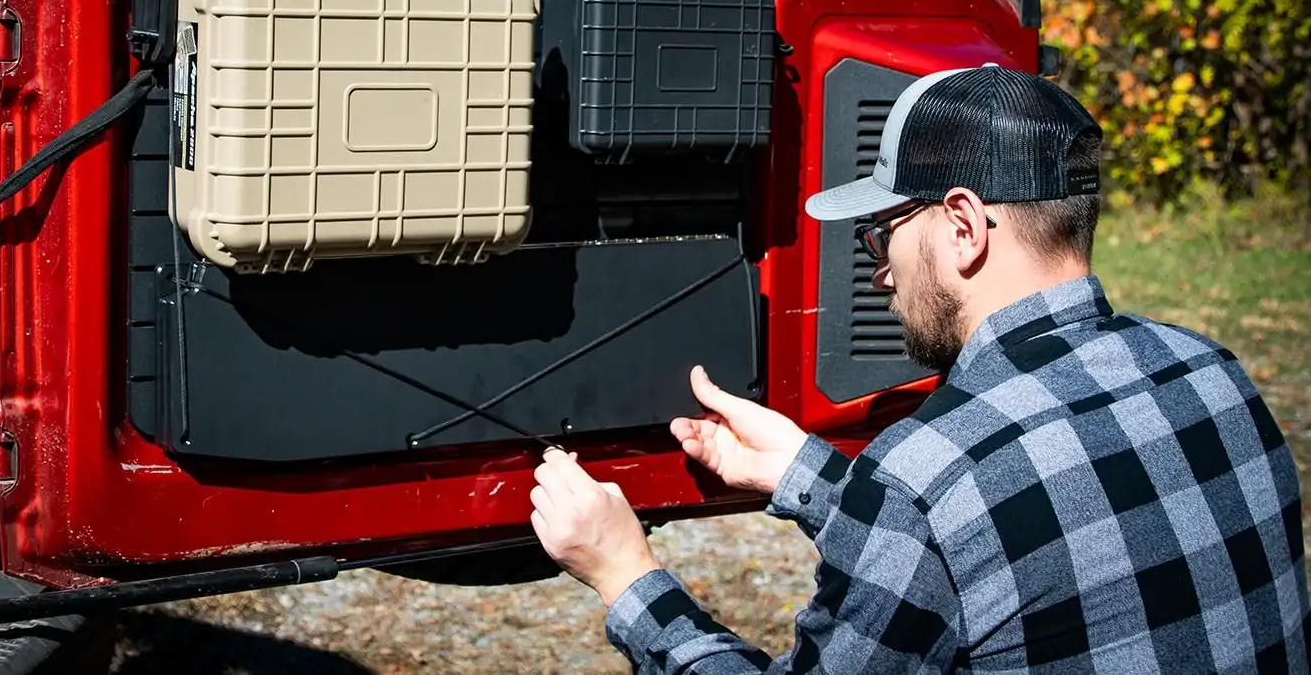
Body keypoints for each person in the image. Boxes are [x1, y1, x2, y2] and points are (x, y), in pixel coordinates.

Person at [528, 63, 1310, 673]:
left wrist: (625, 575)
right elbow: (1005, 540)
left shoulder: (924, 474)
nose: (880, 271)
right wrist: (805, 469)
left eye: (883, 231)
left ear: (963, 226)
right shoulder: (1209, 374)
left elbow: (947, 518)